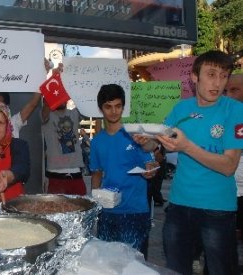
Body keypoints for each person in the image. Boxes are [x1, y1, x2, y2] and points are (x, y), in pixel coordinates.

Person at [135, 50, 243, 275]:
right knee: (176, 269)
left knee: (220, 270)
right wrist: (145, 140)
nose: (218, 82)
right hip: (179, 205)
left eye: (223, 76)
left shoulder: (235, 110)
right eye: (211, 74)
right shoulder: (181, 108)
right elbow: (158, 144)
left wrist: (187, 147)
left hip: (218, 209)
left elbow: (229, 165)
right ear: (194, 77)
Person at [89, 84, 157, 256]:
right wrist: (95, 200)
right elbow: (96, 173)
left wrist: (151, 171)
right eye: (108, 107)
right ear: (100, 108)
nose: (113, 111)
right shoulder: (96, 141)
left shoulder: (136, 136)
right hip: (106, 213)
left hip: (135, 211)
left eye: (118, 106)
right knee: (108, 264)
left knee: (134, 265)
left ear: (123, 107)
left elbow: (152, 163)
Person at [41, 65, 86, 195]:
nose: (60, 94)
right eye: (58, 91)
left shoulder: (74, 114)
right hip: (55, 177)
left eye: (64, 91)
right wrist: (54, 78)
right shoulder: (47, 115)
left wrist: (72, 79)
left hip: (77, 175)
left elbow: (88, 104)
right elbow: (45, 104)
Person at [225, 74, 243, 247]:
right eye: (226, 91)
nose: (229, 95)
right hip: (227, 191)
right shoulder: (221, 118)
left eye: (234, 90)